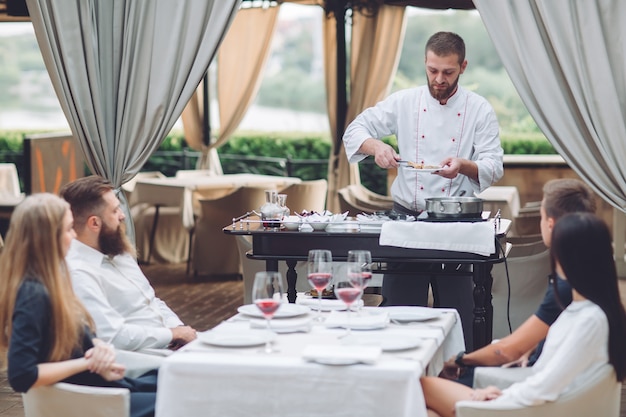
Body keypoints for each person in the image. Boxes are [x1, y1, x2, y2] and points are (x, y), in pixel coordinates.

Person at [343, 31, 503, 342]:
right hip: (405, 222)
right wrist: (376, 147)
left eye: (448, 71)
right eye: (432, 70)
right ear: (425, 64)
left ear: (463, 66)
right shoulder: (404, 102)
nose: (439, 79)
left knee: (460, 316)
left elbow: (493, 165)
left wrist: (464, 165)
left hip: (454, 226)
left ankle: (459, 379)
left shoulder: (479, 109)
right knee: (400, 317)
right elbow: (354, 130)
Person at [421, 212, 626, 416]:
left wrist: (500, 397)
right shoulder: (581, 310)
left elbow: (545, 385)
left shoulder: (591, 320)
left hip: (520, 409)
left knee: (422, 385)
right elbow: (543, 378)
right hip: (524, 401)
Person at [0, 193, 157, 417]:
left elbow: (68, 344)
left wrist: (97, 347)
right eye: (68, 229)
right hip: (90, 401)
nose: (74, 236)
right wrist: (87, 363)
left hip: (101, 388)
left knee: (176, 381)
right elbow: (22, 375)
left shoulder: (51, 281)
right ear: (47, 237)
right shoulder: (33, 294)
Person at [441, 178, 597, 386]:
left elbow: (507, 351)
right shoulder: (589, 275)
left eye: (541, 216)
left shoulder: (567, 287)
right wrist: (532, 348)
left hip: (532, 383)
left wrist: (460, 359)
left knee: (428, 385)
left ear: (550, 224)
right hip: (543, 373)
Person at [60, 175, 197, 351]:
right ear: (95, 223)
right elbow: (113, 336)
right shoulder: (78, 272)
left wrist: (180, 331)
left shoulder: (117, 249)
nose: (122, 215)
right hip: (142, 361)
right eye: (115, 210)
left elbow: (152, 301)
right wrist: (172, 335)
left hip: (169, 347)